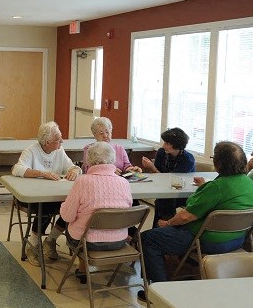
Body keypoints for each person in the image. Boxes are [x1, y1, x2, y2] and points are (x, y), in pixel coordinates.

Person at [138, 141, 253, 300]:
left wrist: (167, 223)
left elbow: (185, 216)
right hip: (237, 239)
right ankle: (186, 267)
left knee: (148, 238)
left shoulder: (216, 187)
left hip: (208, 239)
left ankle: (158, 291)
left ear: (218, 163)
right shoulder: (248, 182)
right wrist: (206, 186)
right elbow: (226, 195)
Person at [60, 142, 132, 283]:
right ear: (112, 159)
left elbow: (67, 216)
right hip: (119, 240)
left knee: (77, 228)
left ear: (88, 160)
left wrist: (63, 205)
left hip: (88, 243)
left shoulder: (82, 181)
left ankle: (82, 270)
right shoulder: (124, 182)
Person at [11, 121, 82, 266]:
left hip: (53, 195)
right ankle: (33, 245)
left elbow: (72, 166)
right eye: (58, 139)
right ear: (47, 142)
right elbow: (16, 169)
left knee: (73, 207)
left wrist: (74, 170)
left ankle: (50, 240)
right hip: (31, 197)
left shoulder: (59, 151)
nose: (62, 141)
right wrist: (42, 174)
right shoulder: (31, 151)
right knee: (46, 208)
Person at [140, 127, 195, 225]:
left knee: (164, 201)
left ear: (175, 145)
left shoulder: (188, 159)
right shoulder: (161, 152)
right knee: (163, 200)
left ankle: (165, 227)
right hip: (165, 190)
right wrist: (153, 168)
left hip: (183, 192)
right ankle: (161, 228)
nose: (163, 145)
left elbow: (172, 180)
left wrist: (152, 167)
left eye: (167, 143)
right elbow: (157, 177)